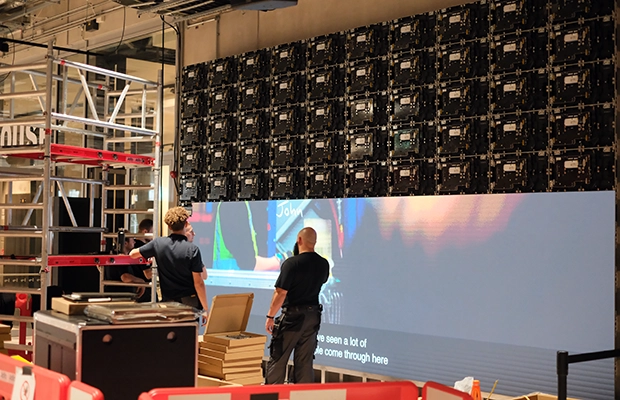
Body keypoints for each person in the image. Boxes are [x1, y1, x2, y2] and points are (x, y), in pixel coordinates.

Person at [264, 227, 329, 384]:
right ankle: (303, 393)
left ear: (299, 240)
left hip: (293, 318)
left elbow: (280, 293)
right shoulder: (323, 264)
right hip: (313, 317)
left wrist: (270, 316)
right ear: (314, 242)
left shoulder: (291, 264)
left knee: (279, 358)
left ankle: (272, 392)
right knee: (305, 361)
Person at [129, 207, 208, 313]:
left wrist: (152, 256)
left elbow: (133, 254)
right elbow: (199, 283)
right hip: (189, 301)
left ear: (169, 226)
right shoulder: (192, 250)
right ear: (185, 224)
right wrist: (206, 309)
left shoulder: (158, 244)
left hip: (168, 302)